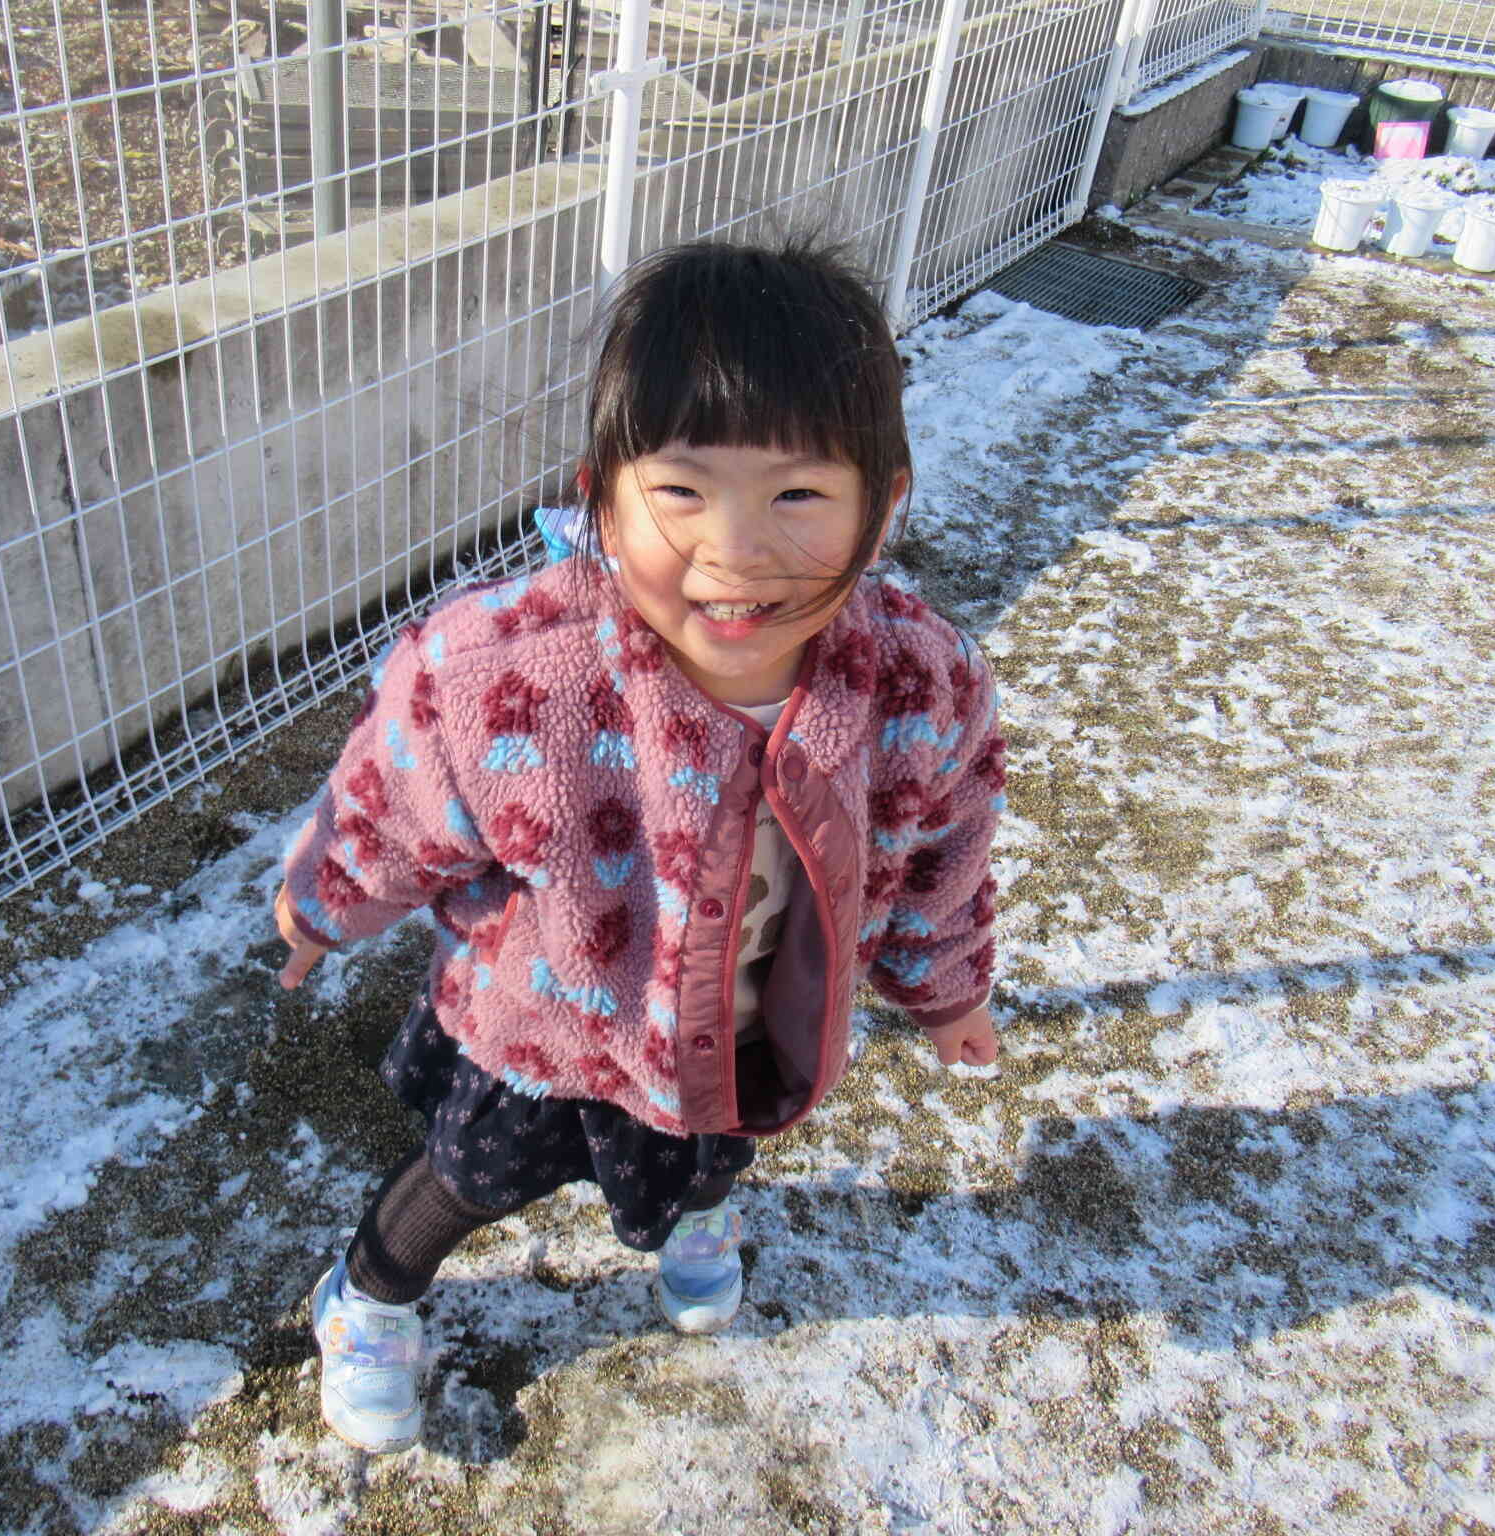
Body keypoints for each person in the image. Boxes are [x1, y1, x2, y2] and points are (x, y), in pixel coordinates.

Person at [272, 237, 1006, 1454]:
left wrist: (944, 994)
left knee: (721, 1146)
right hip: (548, 1021)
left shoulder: (918, 683)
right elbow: (391, 801)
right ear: (599, 493)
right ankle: (370, 1295)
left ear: (886, 503)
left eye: (798, 495)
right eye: (680, 491)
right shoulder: (506, 672)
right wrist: (321, 905)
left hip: (742, 1021)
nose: (735, 550)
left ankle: (697, 1219)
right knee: (470, 1176)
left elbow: (941, 852)